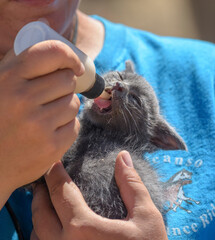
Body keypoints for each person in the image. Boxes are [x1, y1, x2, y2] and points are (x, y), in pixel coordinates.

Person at [0, 0, 214, 239]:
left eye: (135, 100)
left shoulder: (208, 75)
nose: (119, 85)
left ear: (158, 138)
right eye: (121, 76)